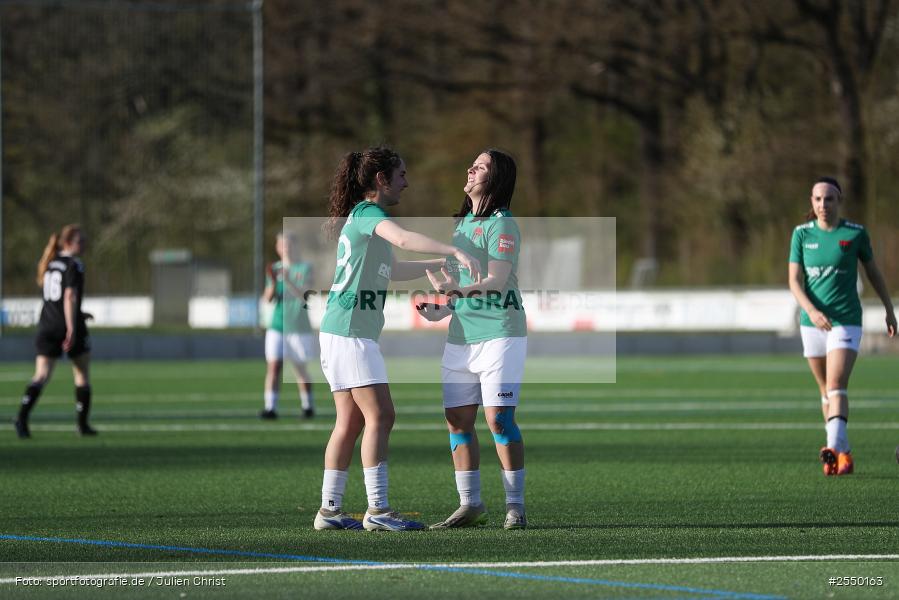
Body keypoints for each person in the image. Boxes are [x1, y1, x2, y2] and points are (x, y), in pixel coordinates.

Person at [314, 145, 481, 532]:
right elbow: (404, 240)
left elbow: (392, 267)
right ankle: (379, 510)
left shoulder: (361, 217)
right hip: (351, 332)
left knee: (350, 422)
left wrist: (436, 264)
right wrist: (452, 247)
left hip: (338, 330)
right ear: (381, 179)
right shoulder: (371, 214)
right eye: (401, 174)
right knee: (381, 415)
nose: (406, 183)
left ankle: (330, 510)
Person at [418, 149, 528, 530]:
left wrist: (457, 296)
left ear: (494, 180)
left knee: (498, 420)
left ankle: (515, 506)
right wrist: (444, 306)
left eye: (480, 166)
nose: (471, 168)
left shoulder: (503, 225)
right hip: (461, 336)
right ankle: (471, 504)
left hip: (500, 333)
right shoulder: (461, 225)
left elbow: (496, 282)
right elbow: (458, 288)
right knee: (457, 420)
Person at [788, 177, 896, 476]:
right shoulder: (801, 235)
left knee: (836, 385)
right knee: (825, 391)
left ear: (839, 201)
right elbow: (794, 281)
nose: (823, 205)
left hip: (845, 320)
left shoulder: (855, 234)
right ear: (812, 202)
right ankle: (844, 454)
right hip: (812, 323)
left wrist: (889, 309)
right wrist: (811, 310)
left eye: (829, 199)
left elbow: (873, 273)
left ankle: (831, 448)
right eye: (818, 199)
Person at [14, 224, 96, 438]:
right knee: (82, 374)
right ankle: (82, 425)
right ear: (68, 243)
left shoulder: (50, 264)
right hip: (68, 325)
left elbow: (57, 300)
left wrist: (80, 313)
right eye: (81, 241)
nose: (84, 244)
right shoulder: (74, 264)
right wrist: (72, 327)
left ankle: (21, 418)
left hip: (47, 325)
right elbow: (69, 296)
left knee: (40, 375)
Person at [260, 232, 316, 420]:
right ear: (277, 248)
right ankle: (270, 408)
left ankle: (307, 405)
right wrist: (274, 282)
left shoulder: (305, 268)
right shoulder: (275, 269)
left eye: (289, 244)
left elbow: (306, 295)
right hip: (277, 325)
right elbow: (268, 299)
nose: (286, 248)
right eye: (282, 245)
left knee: (300, 368)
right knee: (274, 367)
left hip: (299, 326)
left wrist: (289, 279)